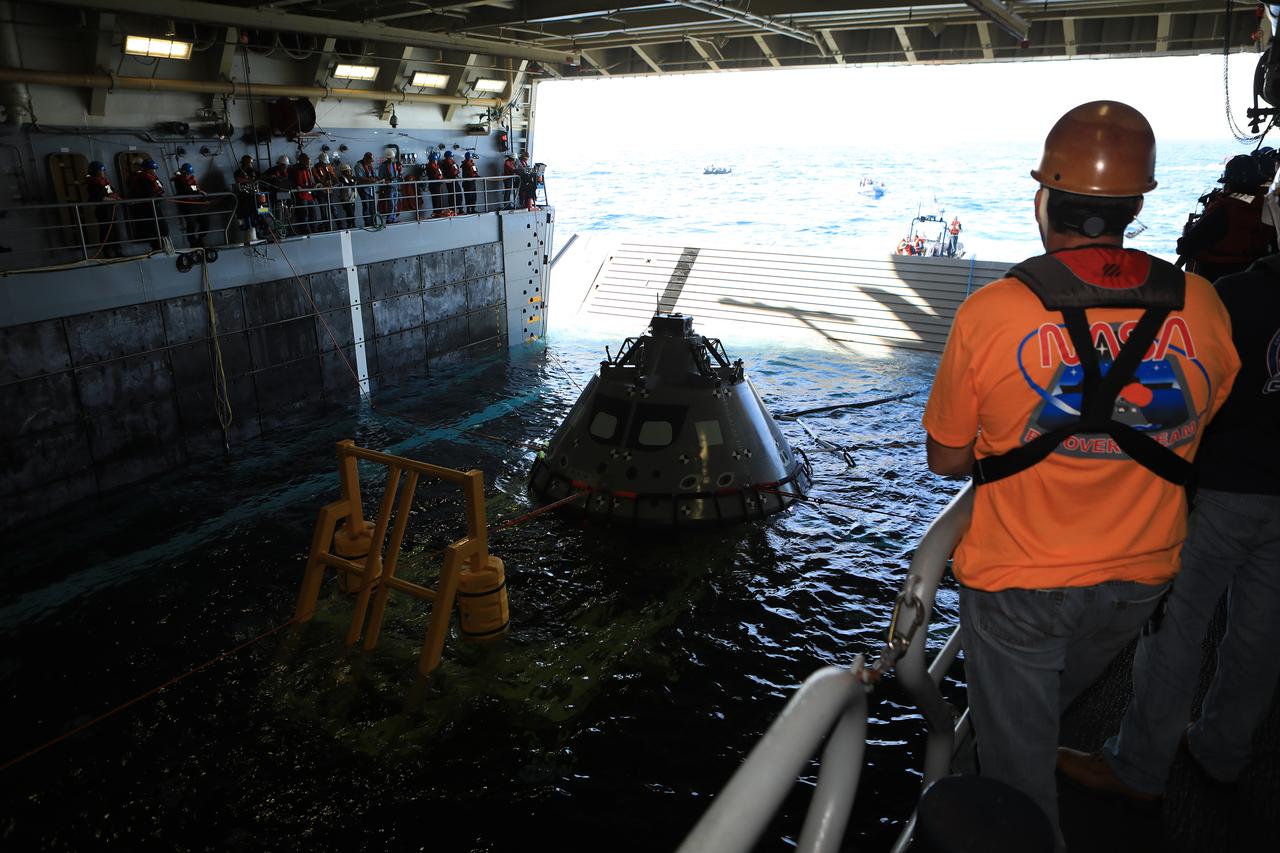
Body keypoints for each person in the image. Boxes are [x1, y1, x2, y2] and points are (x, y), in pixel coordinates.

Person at [920, 101, 1240, 848]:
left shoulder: (992, 313)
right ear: (1135, 206)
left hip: (1019, 585)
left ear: (1043, 200)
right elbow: (1195, 423)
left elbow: (946, 460)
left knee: (1016, 782)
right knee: (1042, 709)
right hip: (1139, 578)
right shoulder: (1205, 304)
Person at [1057, 190, 1280, 803]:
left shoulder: (1235, 298)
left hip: (1223, 488)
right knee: (1262, 631)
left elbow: (1184, 401)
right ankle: (1223, 750)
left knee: (1176, 627)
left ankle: (1138, 766)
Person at [1177, 154, 1272, 282]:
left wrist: (1188, 229)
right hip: (1256, 281)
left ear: (1229, 184)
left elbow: (1184, 247)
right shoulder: (1269, 207)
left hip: (1216, 283)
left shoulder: (1222, 210)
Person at [125, 158, 169, 253]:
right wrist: (158, 196)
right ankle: (158, 248)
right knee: (158, 229)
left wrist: (160, 195)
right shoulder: (142, 179)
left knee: (161, 228)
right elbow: (148, 194)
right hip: (147, 208)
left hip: (153, 206)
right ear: (147, 169)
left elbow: (159, 188)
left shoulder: (152, 178)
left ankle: (160, 247)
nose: (154, 171)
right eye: (153, 169)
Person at [83, 160, 121, 258]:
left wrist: (116, 199)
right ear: (97, 171)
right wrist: (112, 200)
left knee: (115, 230)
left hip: (110, 209)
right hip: (103, 211)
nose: (103, 172)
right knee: (106, 231)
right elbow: (98, 198)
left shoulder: (103, 181)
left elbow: (110, 192)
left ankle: (117, 250)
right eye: (101, 171)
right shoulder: (93, 184)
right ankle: (107, 252)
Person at [171, 162, 209, 248]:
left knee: (205, 221)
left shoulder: (191, 179)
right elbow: (185, 190)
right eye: (185, 173)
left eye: (188, 173)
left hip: (196, 204)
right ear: (183, 172)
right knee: (191, 223)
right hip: (187, 205)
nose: (187, 175)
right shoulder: (178, 180)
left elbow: (194, 187)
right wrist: (197, 191)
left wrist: (199, 192)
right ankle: (193, 243)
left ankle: (200, 239)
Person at [287, 152, 318, 235]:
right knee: (304, 214)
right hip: (301, 195)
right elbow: (290, 181)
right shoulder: (294, 169)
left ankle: (314, 229)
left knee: (313, 213)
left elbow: (310, 180)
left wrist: (315, 185)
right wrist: (295, 186)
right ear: (302, 160)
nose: (308, 164)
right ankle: (305, 231)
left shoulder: (307, 169)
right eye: (307, 162)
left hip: (308, 194)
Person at [312, 151, 337, 230]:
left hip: (329, 191)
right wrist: (325, 184)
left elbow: (334, 176)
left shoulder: (329, 167)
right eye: (324, 163)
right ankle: (327, 227)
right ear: (320, 161)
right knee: (323, 210)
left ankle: (339, 224)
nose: (325, 164)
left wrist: (336, 181)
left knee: (333, 208)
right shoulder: (314, 168)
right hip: (321, 192)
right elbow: (316, 178)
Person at [377, 146, 402, 223]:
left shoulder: (394, 164)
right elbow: (380, 177)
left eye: (391, 158)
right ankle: (389, 219)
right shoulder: (383, 166)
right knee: (391, 204)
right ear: (387, 158)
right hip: (388, 187)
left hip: (395, 186)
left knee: (395, 204)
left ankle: (393, 218)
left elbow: (398, 174)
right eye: (389, 158)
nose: (391, 159)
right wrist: (385, 181)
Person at [353, 151, 377, 226]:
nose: (371, 162)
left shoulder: (370, 165)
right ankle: (367, 223)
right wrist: (370, 180)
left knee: (372, 206)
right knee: (366, 206)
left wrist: (377, 178)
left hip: (371, 189)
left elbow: (374, 175)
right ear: (366, 159)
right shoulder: (358, 166)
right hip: (364, 189)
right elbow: (359, 177)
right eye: (370, 160)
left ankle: (374, 222)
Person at [334, 163, 358, 230]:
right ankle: (350, 225)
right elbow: (347, 183)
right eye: (346, 171)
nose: (348, 172)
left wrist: (351, 180)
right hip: (346, 200)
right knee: (349, 213)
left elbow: (354, 181)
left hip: (352, 199)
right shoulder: (341, 178)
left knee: (352, 213)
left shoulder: (353, 177)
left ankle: (353, 225)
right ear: (343, 172)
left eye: (349, 171)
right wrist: (351, 181)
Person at [425, 151, 445, 216]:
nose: (436, 161)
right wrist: (439, 178)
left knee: (438, 198)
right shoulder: (430, 167)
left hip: (437, 184)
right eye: (436, 160)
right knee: (436, 198)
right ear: (433, 160)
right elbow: (433, 176)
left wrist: (441, 178)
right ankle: (436, 212)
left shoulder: (434, 166)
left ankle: (439, 211)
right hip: (434, 185)